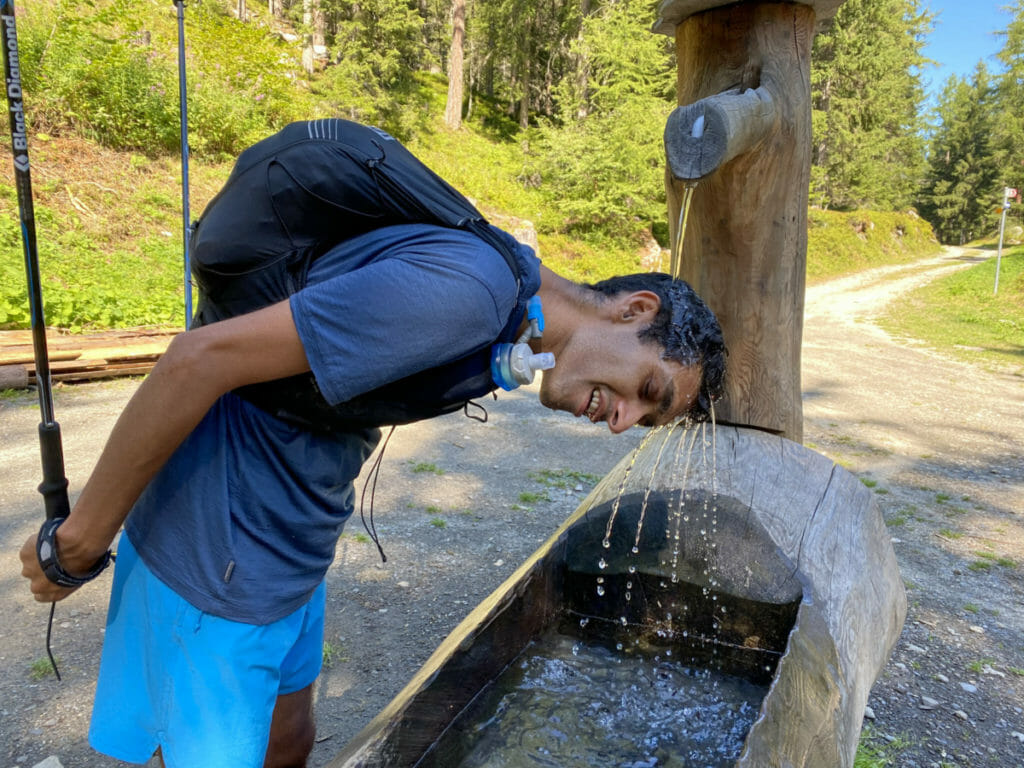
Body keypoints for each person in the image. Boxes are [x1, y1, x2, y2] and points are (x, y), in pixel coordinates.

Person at [19, 119, 726, 768]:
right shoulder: (472, 293)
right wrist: (79, 543)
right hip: (226, 529)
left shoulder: (512, 298)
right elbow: (197, 359)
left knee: (289, 740)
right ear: (637, 309)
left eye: (645, 422)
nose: (622, 421)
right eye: (647, 391)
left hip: (294, 531)